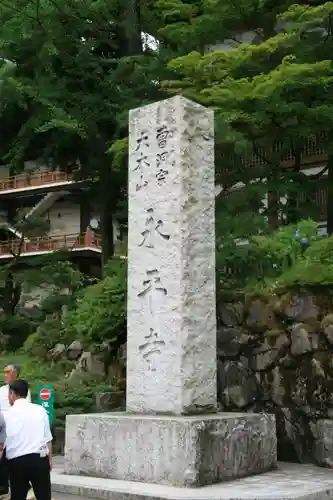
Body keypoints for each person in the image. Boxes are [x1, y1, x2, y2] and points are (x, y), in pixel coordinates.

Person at [4, 380, 52, 500]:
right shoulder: (40, 410)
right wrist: (49, 460)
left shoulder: (6, 415)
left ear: (12, 394)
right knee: (44, 496)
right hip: (39, 459)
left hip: (17, 462)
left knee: (18, 496)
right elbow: (48, 439)